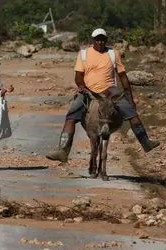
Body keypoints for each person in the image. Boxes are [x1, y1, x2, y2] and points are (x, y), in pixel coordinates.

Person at [46, 28, 160, 163]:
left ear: (105, 40)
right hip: (89, 90)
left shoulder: (113, 54)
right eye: (97, 39)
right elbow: (78, 77)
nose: (99, 42)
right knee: (71, 116)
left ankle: (145, 142)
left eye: (102, 39)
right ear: (92, 40)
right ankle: (63, 151)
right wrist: (82, 87)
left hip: (110, 91)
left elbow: (122, 76)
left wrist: (129, 96)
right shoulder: (83, 54)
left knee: (131, 113)